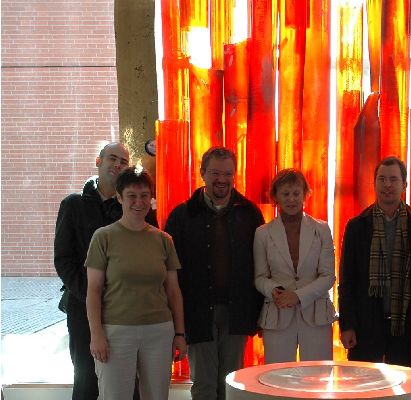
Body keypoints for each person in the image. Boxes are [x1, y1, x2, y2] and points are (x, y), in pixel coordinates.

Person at [54, 142, 154, 400]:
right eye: (112, 158)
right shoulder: (73, 205)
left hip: (126, 311)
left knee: (127, 382)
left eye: (124, 160)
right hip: (83, 309)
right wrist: (92, 295)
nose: (118, 164)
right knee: (87, 380)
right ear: (99, 162)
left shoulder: (134, 206)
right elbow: (63, 260)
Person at [164, 147, 264, 400]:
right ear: (202, 173)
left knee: (232, 384)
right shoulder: (181, 215)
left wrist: (260, 313)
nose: (222, 179)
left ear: (235, 175)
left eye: (228, 173)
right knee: (204, 386)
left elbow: (262, 266)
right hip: (197, 313)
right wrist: (177, 322)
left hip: (238, 312)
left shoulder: (250, 213)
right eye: (215, 173)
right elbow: (170, 273)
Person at [86, 167, 187, 400]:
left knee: (157, 395)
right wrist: (96, 334)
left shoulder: (163, 240)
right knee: (114, 395)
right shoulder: (103, 237)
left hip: (159, 331)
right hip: (116, 331)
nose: (139, 202)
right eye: (132, 195)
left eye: (144, 195)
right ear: (119, 197)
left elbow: (173, 291)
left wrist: (179, 333)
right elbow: (93, 290)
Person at [338, 156, 411, 366]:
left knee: (403, 392)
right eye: (382, 179)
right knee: (365, 391)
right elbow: (347, 281)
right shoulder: (357, 226)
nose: (387, 185)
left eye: (394, 179)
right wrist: (347, 325)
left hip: (407, 325)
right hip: (366, 325)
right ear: (374, 183)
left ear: (404, 184)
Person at [254, 169, 335, 363]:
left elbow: (328, 276)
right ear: (276, 197)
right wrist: (274, 290)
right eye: (286, 194)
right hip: (278, 313)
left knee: (317, 379)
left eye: (296, 193)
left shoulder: (321, 229)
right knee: (278, 379)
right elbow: (260, 277)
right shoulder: (263, 233)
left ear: (305, 194)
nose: (291, 199)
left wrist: (298, 296)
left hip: (316, 316)